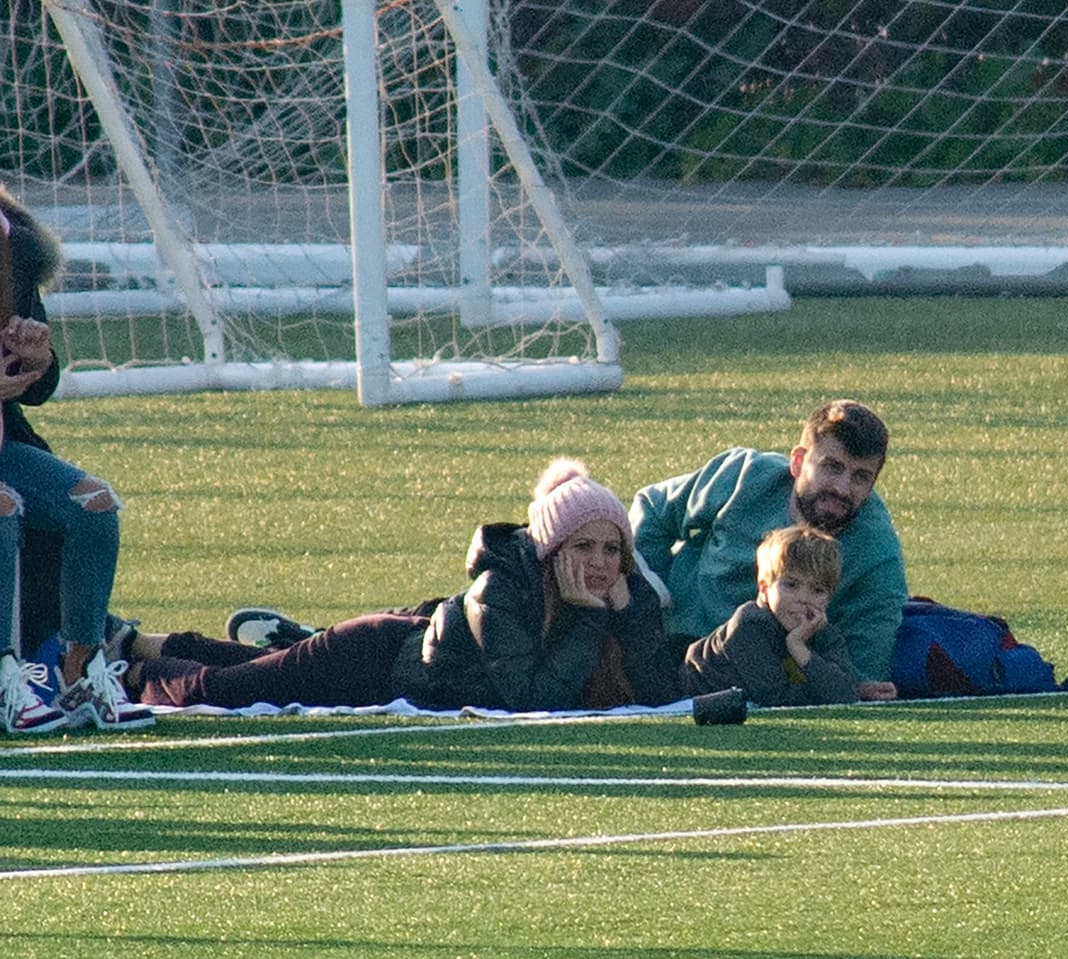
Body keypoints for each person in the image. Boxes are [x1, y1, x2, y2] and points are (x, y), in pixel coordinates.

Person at [115, 459, 681, 712]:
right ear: (552, 550)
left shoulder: (620, 598)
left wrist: (629, 616)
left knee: (256, 667)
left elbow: (659, 693)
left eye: (612, 549)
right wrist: (589, 617)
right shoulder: (503, 588)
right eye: (583, 547)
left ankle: (148, 644)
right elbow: (531, 700)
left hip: (411, 645)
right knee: (230, 691)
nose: (600, 563)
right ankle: (130, 673)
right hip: (373, 660)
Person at [0, 185, 152, 733]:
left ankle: (80, 670)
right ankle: (5, 678)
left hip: (4, 442)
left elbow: (33, 386)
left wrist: (37, 360)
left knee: (94, 503)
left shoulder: (11, 241)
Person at [631, 399, 907, 699]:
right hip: (672, 648)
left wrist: (853, 683)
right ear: (799, 462)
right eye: (832, 467)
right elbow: (652, 510)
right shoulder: (744, 476)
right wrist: (651, 599)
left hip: (764, 676)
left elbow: (864, 665)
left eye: (861, 477)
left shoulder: (878, 554)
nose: (842, 488)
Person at [683, 526, 896, 707]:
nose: (804, 598)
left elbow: (844, 696)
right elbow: (775, 699)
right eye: (791, 585)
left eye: (818, 590)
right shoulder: (749, 625)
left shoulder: (821, 630)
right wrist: (826, 689)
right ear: (764, 589)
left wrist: (798, 646)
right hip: (684, 692)